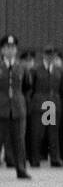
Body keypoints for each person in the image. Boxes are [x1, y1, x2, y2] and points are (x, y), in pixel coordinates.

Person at [27, 45, 63, 167]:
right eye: (48, 54)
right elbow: (30, 88)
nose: (50, 57)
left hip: (53, 104)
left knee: (53, 133)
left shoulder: (59, 70)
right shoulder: (36, 70)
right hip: (40, 103)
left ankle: (55, 158)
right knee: (38, 132)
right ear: (44, 55)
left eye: (52, 55)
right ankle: (35, 158)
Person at [1, 35, 32, 178]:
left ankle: (21, 169)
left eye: (12, 48)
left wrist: (22, 102)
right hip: (1, 109)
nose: (10, 50)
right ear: (2, 50)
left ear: (16, 50)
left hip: (18, 109)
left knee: (19, 140)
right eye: (7, 47)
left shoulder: (22, 67)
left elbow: (27, 86)